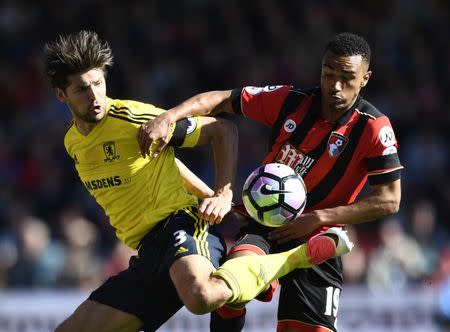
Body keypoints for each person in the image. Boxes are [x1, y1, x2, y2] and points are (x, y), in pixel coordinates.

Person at [44, 30, 353, 332]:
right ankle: (243, 279)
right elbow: (160, 161)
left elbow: (223, 130)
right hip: (147, 252)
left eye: (98, 83)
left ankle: (300, 255)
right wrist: (207, 192)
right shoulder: (73, 142)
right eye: (82, 89)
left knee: (202, 295)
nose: (95, 95)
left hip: (180, 226)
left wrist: (221, 193)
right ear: (61, 95)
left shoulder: (132, 120)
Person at [138, 32, 403, 331]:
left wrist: (318, 218)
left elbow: (390, 200)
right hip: (265, 226)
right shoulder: (291, 101)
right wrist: (169, 117)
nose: (336, 86)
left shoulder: (373, 128)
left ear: (365, 78)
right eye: (329, 74)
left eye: (347, 78)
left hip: (319, 238)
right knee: (227, 290)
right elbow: (221, 100)